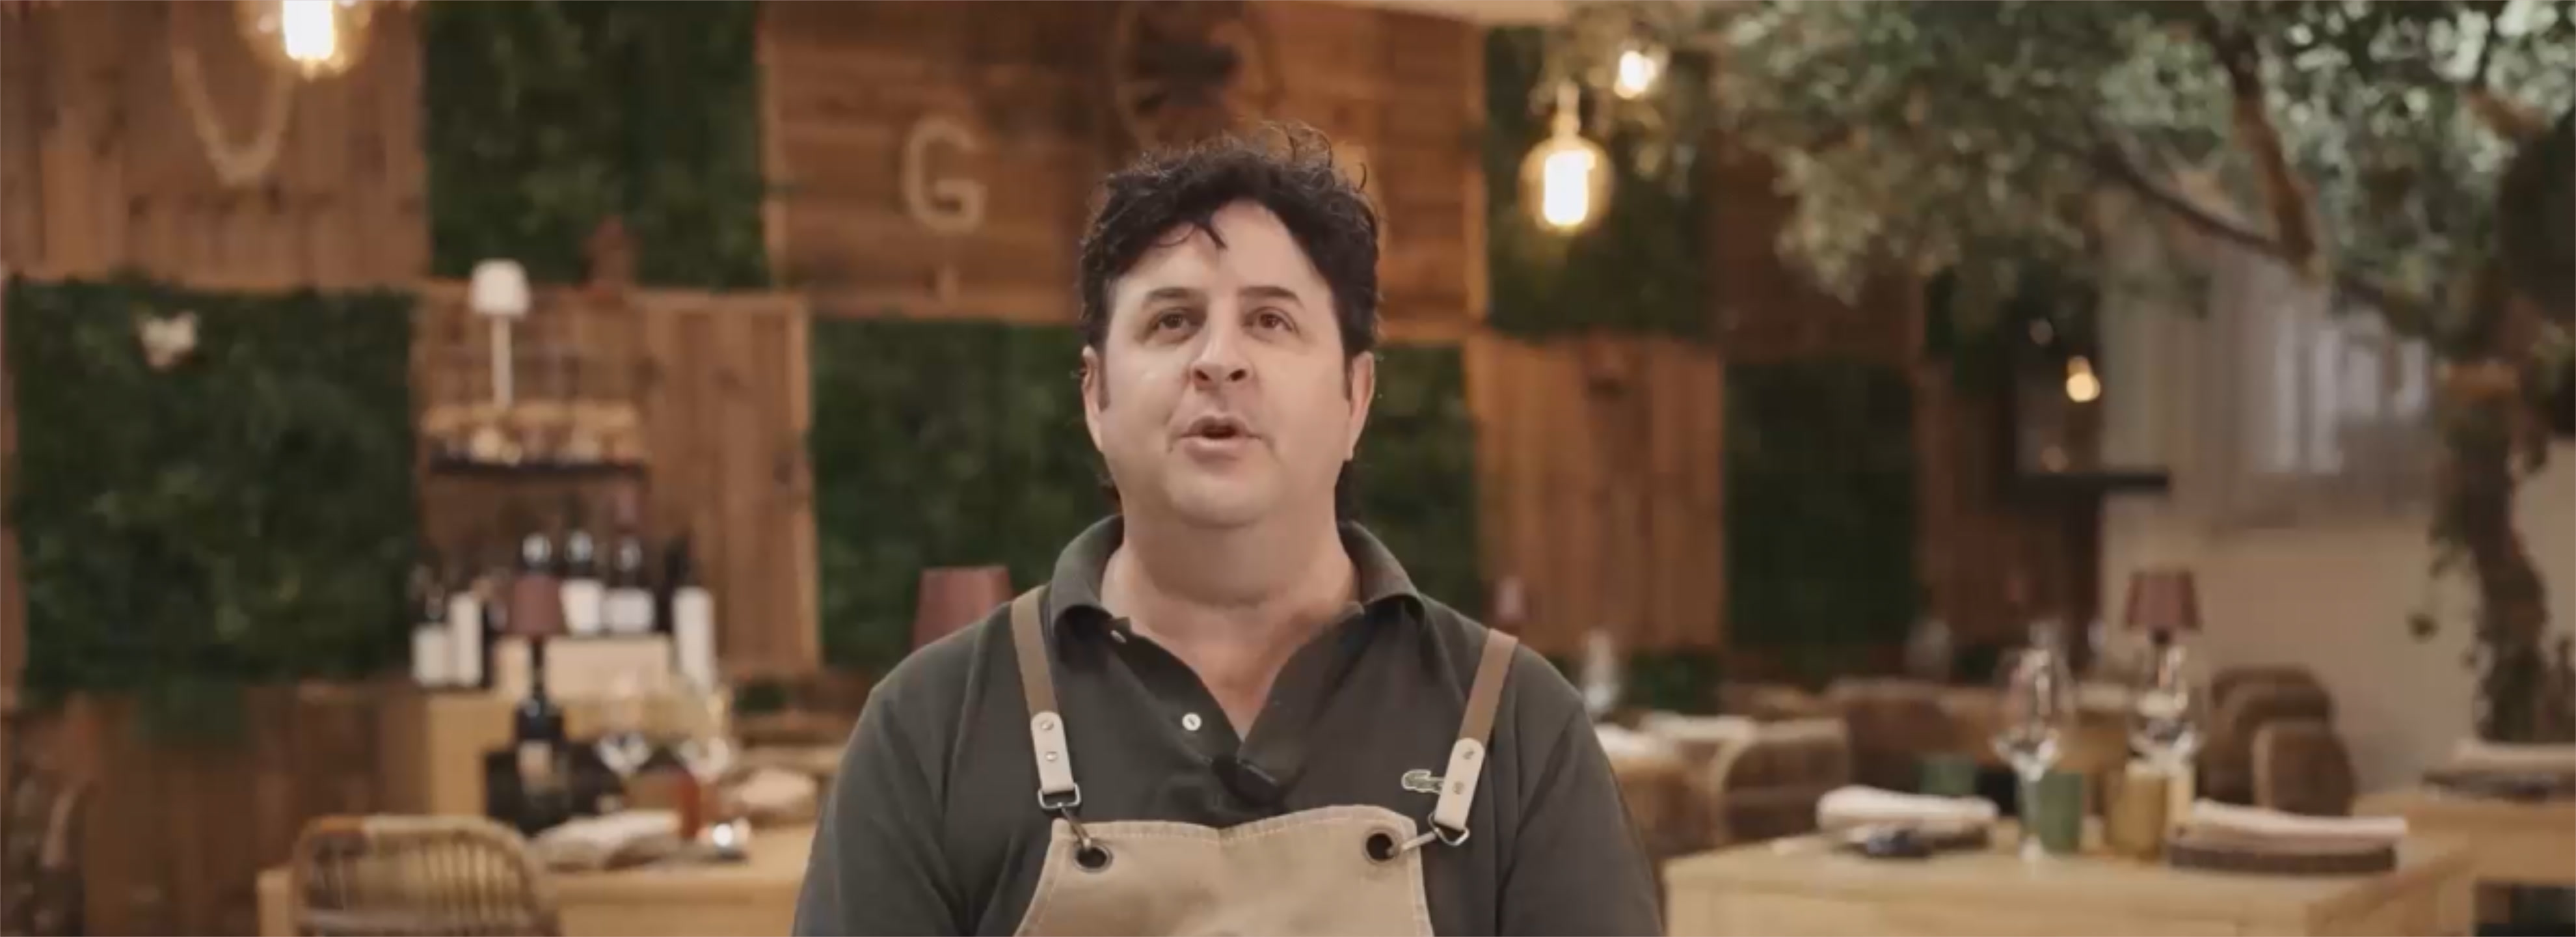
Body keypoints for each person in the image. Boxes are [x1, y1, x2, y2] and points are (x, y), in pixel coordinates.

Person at [794, 124, 1661, 936]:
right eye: (1172, 321)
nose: (1218, 360)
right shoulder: (929, 729)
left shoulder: (1514, 723)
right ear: (1096, 397)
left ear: (1356, 398)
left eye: (1271, 320)